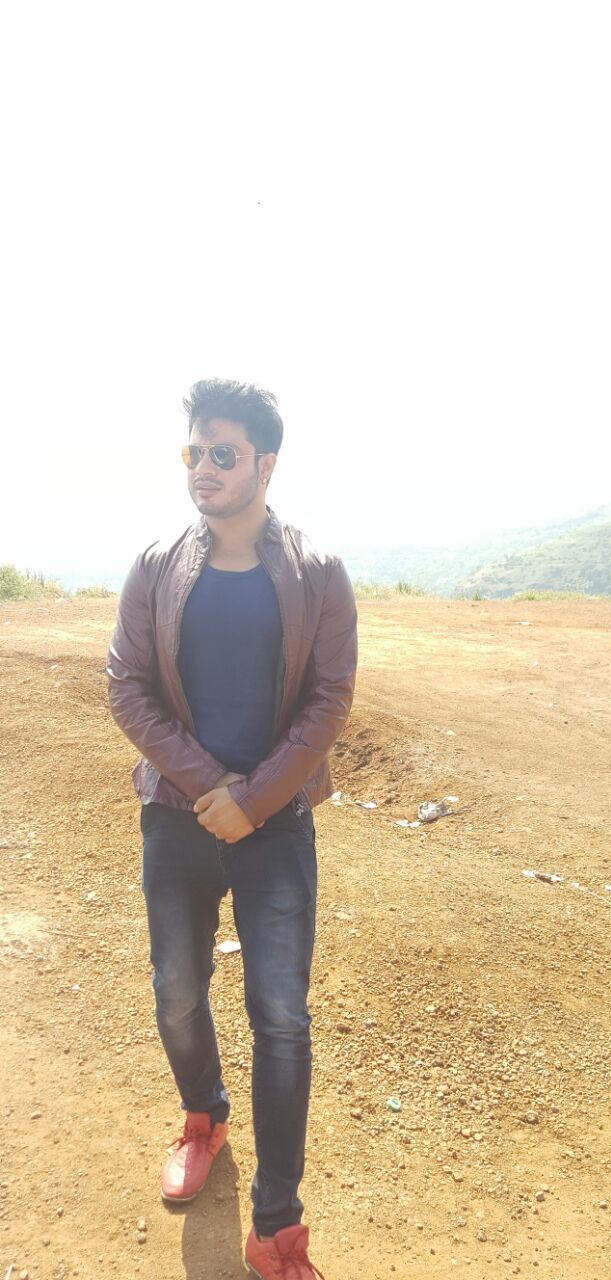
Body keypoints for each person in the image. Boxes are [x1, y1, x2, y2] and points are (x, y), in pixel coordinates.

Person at [106, 379, 358, 1280]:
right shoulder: (155, 567)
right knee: (177, 991)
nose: (204, 469)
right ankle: (203, 1117)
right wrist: (211, 785)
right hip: (177, 820)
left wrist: (254, 798)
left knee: (281, 1019)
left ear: (266, 464)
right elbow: (125, 685)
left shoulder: (318, 574)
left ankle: (277, 1226)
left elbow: (330, 699)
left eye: (223, 453)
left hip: (276, 825)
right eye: (194, 452)